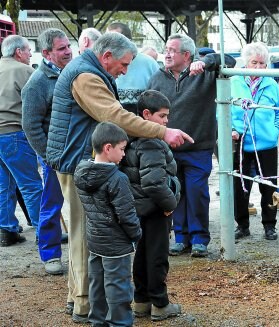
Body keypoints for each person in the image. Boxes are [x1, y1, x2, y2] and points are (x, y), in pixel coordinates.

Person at [46, 32, 192, 323]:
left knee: (84, 235)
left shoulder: (87, 72)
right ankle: (86, 305)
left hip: (77, 161)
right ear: (107, 56)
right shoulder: (86, 77)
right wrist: (163, 132)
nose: (125, 71)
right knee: (89, 237)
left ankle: (79, 298)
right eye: (123, 64)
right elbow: (113, 116)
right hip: (80, 164)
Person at [148, 33, 235, 257]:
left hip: (198, 148)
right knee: (175, 193)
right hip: (169, 149)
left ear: (186, 55)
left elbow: (229, 60)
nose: (166, 53)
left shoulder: (204, 74)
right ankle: (181, 237)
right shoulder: (157, 78)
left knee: (196, 192)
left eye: (172, 50)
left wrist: (205, 62)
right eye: (165, 49)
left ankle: (199, 239)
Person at [120, 90, 182, 320]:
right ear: (146, 114)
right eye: (163, 116)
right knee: (157, 255)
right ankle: (160, 303)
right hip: (156, 208)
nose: (166, 122)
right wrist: (170, 204)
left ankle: (142, 300)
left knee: (142, 254)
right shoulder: (152, 143)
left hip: (139, 208)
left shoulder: (131, 138)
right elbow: (154, 182)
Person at [74, 122, 141, 327]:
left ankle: (98, 322)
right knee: (118, 288)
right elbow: (126, 214)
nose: (124, 154)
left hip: (95, 242)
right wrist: (136, 234)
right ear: (108, 148)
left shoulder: (81, 173)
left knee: (97, 286)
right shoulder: (117, 178)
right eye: (122, 149)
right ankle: (120, 323)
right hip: (116, 245)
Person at [21, 28, 72, 275]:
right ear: (46, 53)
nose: (68, 51)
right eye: (61, 49)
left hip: (76, 152)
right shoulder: (37, 84)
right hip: (55, 156)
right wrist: (48, 155)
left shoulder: (72, 74)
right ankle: (50, 254)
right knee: (51, 204)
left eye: (68, 46)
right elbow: (30, 126)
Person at [230, 42, 279, 241]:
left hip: (267, 144)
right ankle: (242, 225)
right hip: (241, 143)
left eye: (262, 63)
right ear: (246, 63)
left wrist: (276, 130)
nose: (258, 67)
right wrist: (231, 129)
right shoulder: (234, 82)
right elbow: (222, 112)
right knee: (240, 186)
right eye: (254, 62)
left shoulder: (271, 84)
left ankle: (269, 226)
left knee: (269, 186)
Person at [0, 35, 43, 247]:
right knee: (31, 185)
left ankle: (7, 230)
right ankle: (43, 231)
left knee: (3, 184)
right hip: (13, 133)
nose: (29, 55)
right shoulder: (24, 71)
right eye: (27, 51)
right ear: (18, 52)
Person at [107, 22, 160, 114]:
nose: (107, 44)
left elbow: (159, 100)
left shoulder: (150, 64)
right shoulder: (104, 64)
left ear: (127, 41)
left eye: (112, 40)